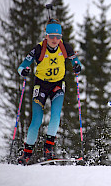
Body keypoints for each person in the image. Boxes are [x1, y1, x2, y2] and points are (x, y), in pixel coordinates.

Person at [17, 18, 81, 165]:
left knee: (55, 115)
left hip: (58, 85)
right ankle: (26, 154)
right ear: (46, 35)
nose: (55, 39)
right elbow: (22, 66)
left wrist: (77, 66)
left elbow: (76, 62)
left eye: (58, 37)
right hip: (41, 86)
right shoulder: (38, 49)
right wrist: (24, 71)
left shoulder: (65, 47)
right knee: (36, 120)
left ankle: (48, 149)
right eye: (51, 36)